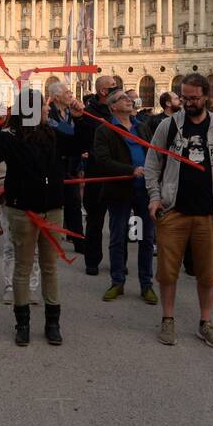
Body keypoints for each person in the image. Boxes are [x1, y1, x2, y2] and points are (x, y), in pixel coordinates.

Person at [144, 72, 213, 348]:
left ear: (206, 96)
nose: (188, 102)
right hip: (173, 210)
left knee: (207, 274)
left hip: (209, 212)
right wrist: (154, 197)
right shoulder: (169, 126)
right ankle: (168, 319)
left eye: (194, 98)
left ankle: (205, 322)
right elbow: (152, 164)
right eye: (184, 97)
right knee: (167, 271)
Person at [0, 86, 81, 346]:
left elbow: (79, 144)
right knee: (23, 267)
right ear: (32, 109)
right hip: (22, 209)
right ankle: (22, 323)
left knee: (49, 267)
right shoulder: (10, 137)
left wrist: (80, 118)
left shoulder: (53, 134)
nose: (48, 108)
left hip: (52, 208)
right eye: (43, 105)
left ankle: (52, 322)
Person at [90, 87, 157, 304]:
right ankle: (117, 281)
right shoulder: (105, 130)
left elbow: (153, 154)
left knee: (146, 238)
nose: (129, 100)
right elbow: (103, 161)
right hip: (119, 191)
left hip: (143, 191)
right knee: (118, 237)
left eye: (128, 98)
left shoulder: (142, 127)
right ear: (113, 107)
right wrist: (131, 170)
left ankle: (146, 284)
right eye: (122, 98)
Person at [78, 75, 121, 276]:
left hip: (118, 171)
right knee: (95, 220)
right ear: (103, 91)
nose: (117, 88)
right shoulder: (89, 113)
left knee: (119, 221)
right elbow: (85, 140)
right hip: (97, 172)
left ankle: (118, 261)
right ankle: (92, 260)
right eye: (113, 86)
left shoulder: (118, 110)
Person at [47, 83, 86, 250]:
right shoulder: (48, 113)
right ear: (56, 97)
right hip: (54, 165)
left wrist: (79, 119)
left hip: (71, 165)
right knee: (53, 204)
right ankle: (50, 241)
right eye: (67, 92)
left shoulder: (72, 113)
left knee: (74, 204)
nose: (71, 94)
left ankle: (78, 240)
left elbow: (80, 135)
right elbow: (65, 132)